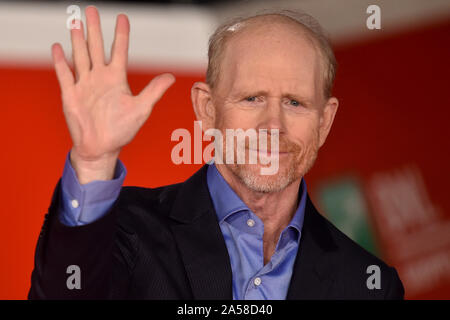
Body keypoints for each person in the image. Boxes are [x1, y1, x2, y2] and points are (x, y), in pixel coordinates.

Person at [28, 6, 404, 299]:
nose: (272, 125)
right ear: (207, 110)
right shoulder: (126, 231)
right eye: (252, 98)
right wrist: (94, 163)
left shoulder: (369, 284)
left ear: (324, 123)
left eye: (295, 102)